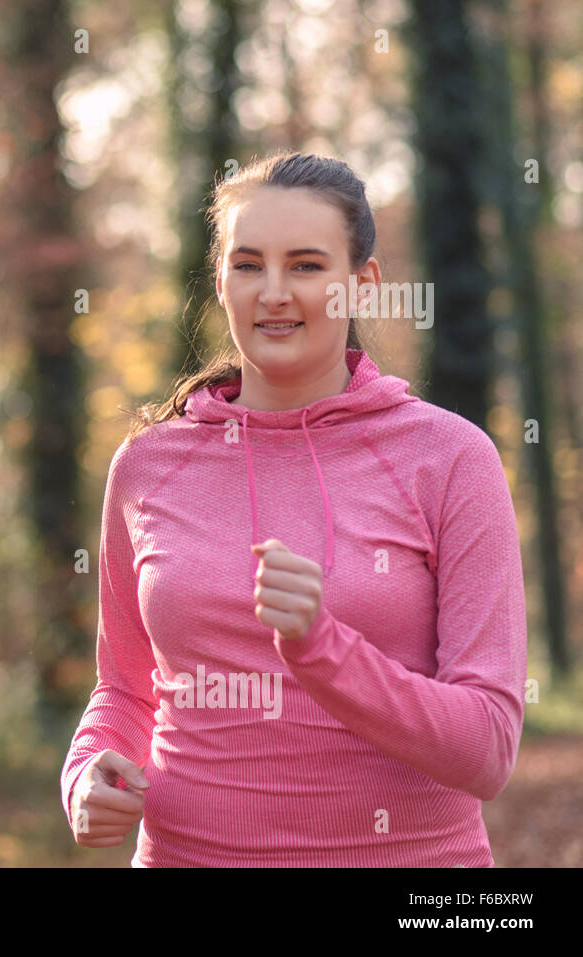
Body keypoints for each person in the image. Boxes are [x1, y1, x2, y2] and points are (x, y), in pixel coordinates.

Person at [62, 151, 527, 866]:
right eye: (248, 265)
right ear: (221, 281)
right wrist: (89, 773)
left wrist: (322, 647)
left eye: (306, 266)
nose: (274, 291)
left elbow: (487, 749)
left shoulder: (449, 458)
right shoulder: (148, 464)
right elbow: (125, 689)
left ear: (360, 284)